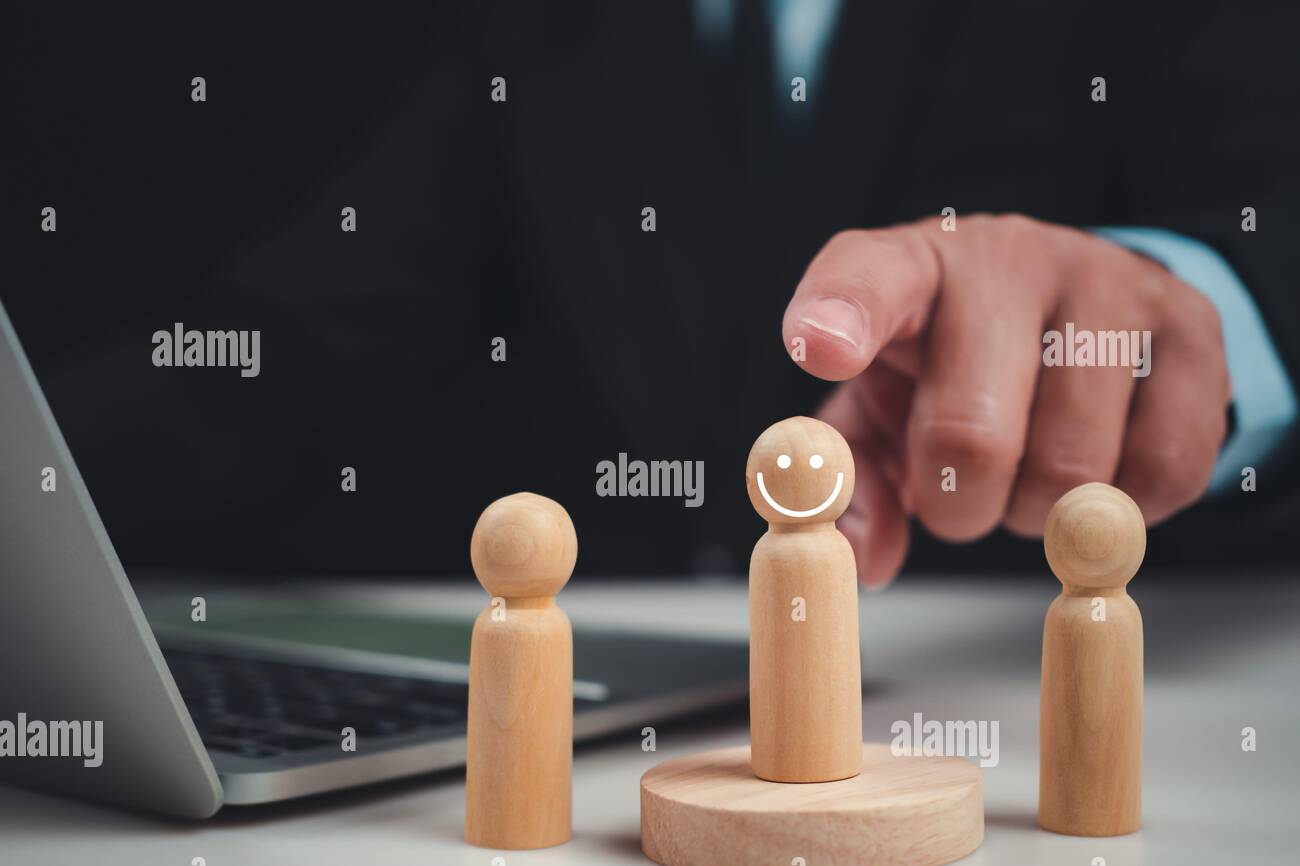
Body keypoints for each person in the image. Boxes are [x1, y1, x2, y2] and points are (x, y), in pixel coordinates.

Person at [4, 2, 1296, 582]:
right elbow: (286, 354)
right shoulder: (547, 33)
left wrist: (1184, 307)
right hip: (647, 733)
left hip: (1069, 683)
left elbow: (1269, 220)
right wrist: (29, 474)